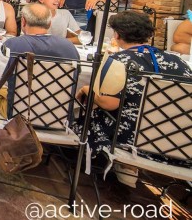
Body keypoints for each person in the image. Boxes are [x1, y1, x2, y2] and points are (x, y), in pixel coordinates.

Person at [75, 11, 192, 186]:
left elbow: (109, 104)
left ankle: (125, 168)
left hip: (131, 138)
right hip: (175, 138)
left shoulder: (119, 61)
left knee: (90, 112)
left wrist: (86, 89)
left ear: (117, 35)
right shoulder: (180, 63)